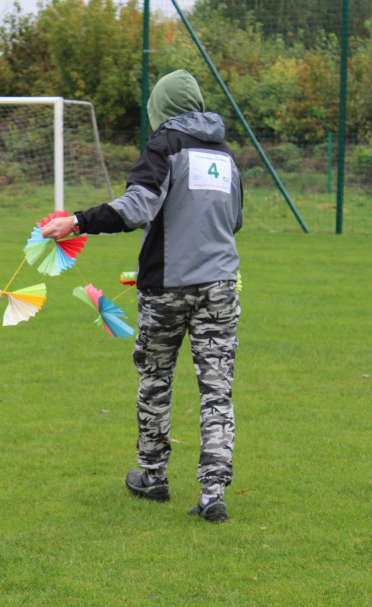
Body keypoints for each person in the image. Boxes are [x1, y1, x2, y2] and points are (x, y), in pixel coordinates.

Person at [41, 70, 242, 523]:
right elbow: (234, 221)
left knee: (156, 380)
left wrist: (77, 221)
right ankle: (213, 493)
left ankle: (153, 476)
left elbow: (137, 207)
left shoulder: (165, 145)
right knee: (217, 389)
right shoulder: (226, 156)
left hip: (167, 289)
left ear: (161, 109)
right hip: (222, 288)